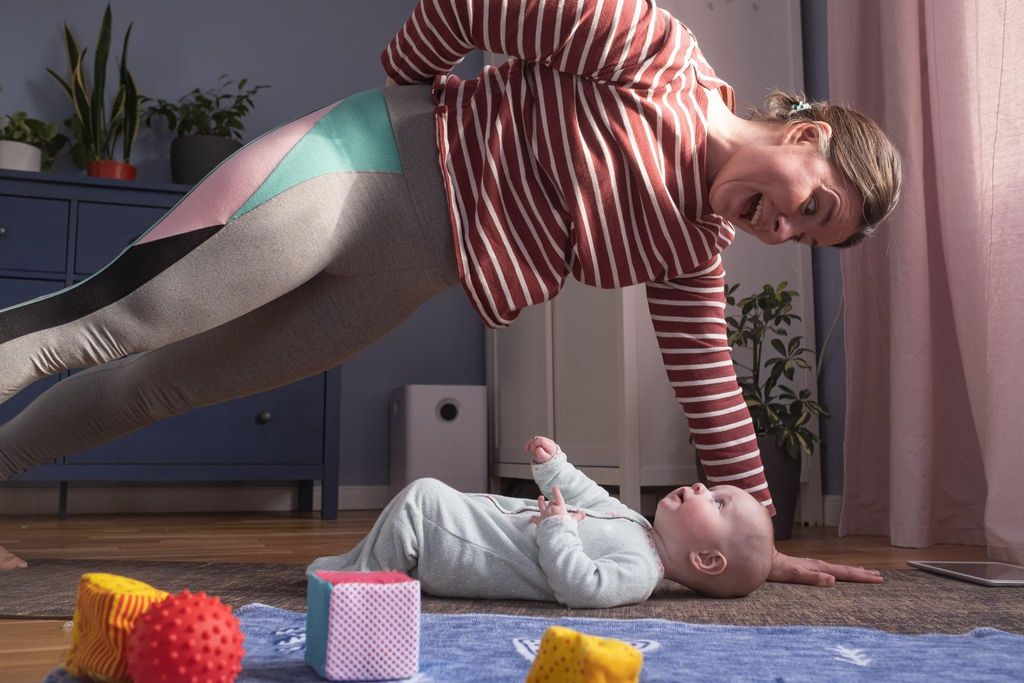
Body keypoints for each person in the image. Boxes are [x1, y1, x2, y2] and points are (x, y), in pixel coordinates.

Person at [0, 0, 898, 584]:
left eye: (803, 236)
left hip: (406, 277)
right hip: (364, 165)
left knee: (167, 383)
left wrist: (761, 541)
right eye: (807, 203)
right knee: (114, 320)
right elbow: (487, 7)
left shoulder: (692, 241)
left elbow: (707, 374)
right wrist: (407, 72)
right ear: (806, 135)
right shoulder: (656, 56)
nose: (779, 230)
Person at [308, 436, 775, 606]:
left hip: (474, 556)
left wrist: (558, 529)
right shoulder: (637, 523)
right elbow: (586, 493)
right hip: (488, 528)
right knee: (424, 499)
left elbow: (583, 588)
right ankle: (363, 566)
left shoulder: (640, 572)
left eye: (716, 503)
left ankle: (358, 586)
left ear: (708, 559)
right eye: (713, 489)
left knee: (422, 501)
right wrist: (554, 466)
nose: (700, 488)